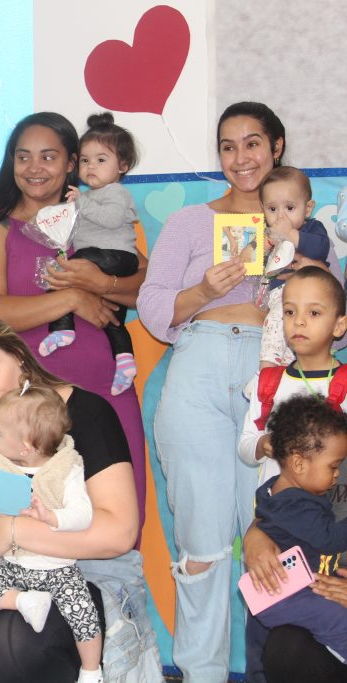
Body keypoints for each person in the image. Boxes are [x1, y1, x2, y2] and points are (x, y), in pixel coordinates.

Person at [138, 101, 343, 682]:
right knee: (201, 542)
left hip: (278, 371)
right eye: (228, 146)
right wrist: (205, 290)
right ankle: (201, 673)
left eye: (253, 143)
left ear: (276, 147)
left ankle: (272, 668)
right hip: (200, 362)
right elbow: (153, 307)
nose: (240, 157)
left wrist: (304, 268)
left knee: (283, 532)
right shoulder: (190, 222)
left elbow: (335, 309)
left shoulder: (306, 225)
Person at [0, 310, 162, 683]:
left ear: (17, 353)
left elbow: (119, 534)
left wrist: (14, 530)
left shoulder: (84, 412)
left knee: (3, 645)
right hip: (0, 582)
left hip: (86, 576)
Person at [0, 111, 148, 539]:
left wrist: (102, 284)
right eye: (23, 156)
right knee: (26, 523)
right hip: (28, 401)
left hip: (108, 389)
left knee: (121, 518)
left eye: (48, 156)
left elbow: (144, 287)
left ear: (71, 163)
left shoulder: (93, 216)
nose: (34, 167)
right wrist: (70, 299)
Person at [0, 386, 102, 683]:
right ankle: (22, 601)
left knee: (83, 615)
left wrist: (52, 518)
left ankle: (91, 670)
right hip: (11, 564)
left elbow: (83, 514)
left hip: (57, 569)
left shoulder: (66, 469)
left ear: (24, 447)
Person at [38, 112, 141, 397]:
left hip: (115, 257)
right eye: (85, 160)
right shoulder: (86, 196)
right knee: (113, 318)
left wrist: (81, 203)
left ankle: (62, 328)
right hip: (102, 259)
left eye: (101, 160)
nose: (91, 166)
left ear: (123, 165)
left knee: (64, 274)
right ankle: (125, 361)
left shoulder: (116, 192)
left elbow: (110, 220)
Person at [248, 395, 347, 661]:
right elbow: (329, 539)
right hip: (289, 595)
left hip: (284, 592)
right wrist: (253, 537)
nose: (337, 473)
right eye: (333, 466)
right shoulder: (295, 503)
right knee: (338, 619)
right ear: (299, 463)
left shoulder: (279, 492)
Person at [239, 267, 347, 485]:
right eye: (290, 312)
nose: (299, 321)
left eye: (313, 313)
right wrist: (263, 444)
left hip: (333, 503)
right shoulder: (267, 382)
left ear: (339, 326)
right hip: (277, 504)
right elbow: (245, 446)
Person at [257, 166, 334, 367]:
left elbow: (320, 248)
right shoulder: (267, 234)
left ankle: (275, 370)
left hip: (312, 297)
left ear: (307, 209)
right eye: (272, 209)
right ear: (263, 209)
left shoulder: (313, 228)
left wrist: (291, 234)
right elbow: (256, 264)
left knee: (299, 336)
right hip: (280, 296)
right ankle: (271, 369)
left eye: (289, 208)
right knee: (277, 324)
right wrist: (261, 249)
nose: (280, 217)